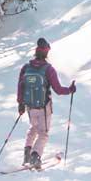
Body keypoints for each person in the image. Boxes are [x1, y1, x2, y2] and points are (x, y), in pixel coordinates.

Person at [16, 37, 76, 170]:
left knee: (33, 128)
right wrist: (70, 90)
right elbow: (58, 90)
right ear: (46, 52)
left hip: (30, 107)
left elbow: (20, 86)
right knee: (43, 133)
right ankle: (35, 156)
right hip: (44, 107)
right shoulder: (48, 69)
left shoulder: (26, 67)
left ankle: (27, 153)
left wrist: (20, 104)